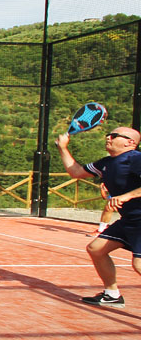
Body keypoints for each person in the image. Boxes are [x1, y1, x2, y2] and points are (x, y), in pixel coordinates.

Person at [56, 126, 141, 308]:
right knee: (96, 249)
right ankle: (112, 295)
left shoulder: (135, 159)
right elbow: (76, 172)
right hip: (129, 220)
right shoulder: (106, 163)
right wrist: (63, 148)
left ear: (130, 142)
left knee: (139, 264)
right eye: (108, 134)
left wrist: (127, 196)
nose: (108, 137)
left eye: (114, 135)